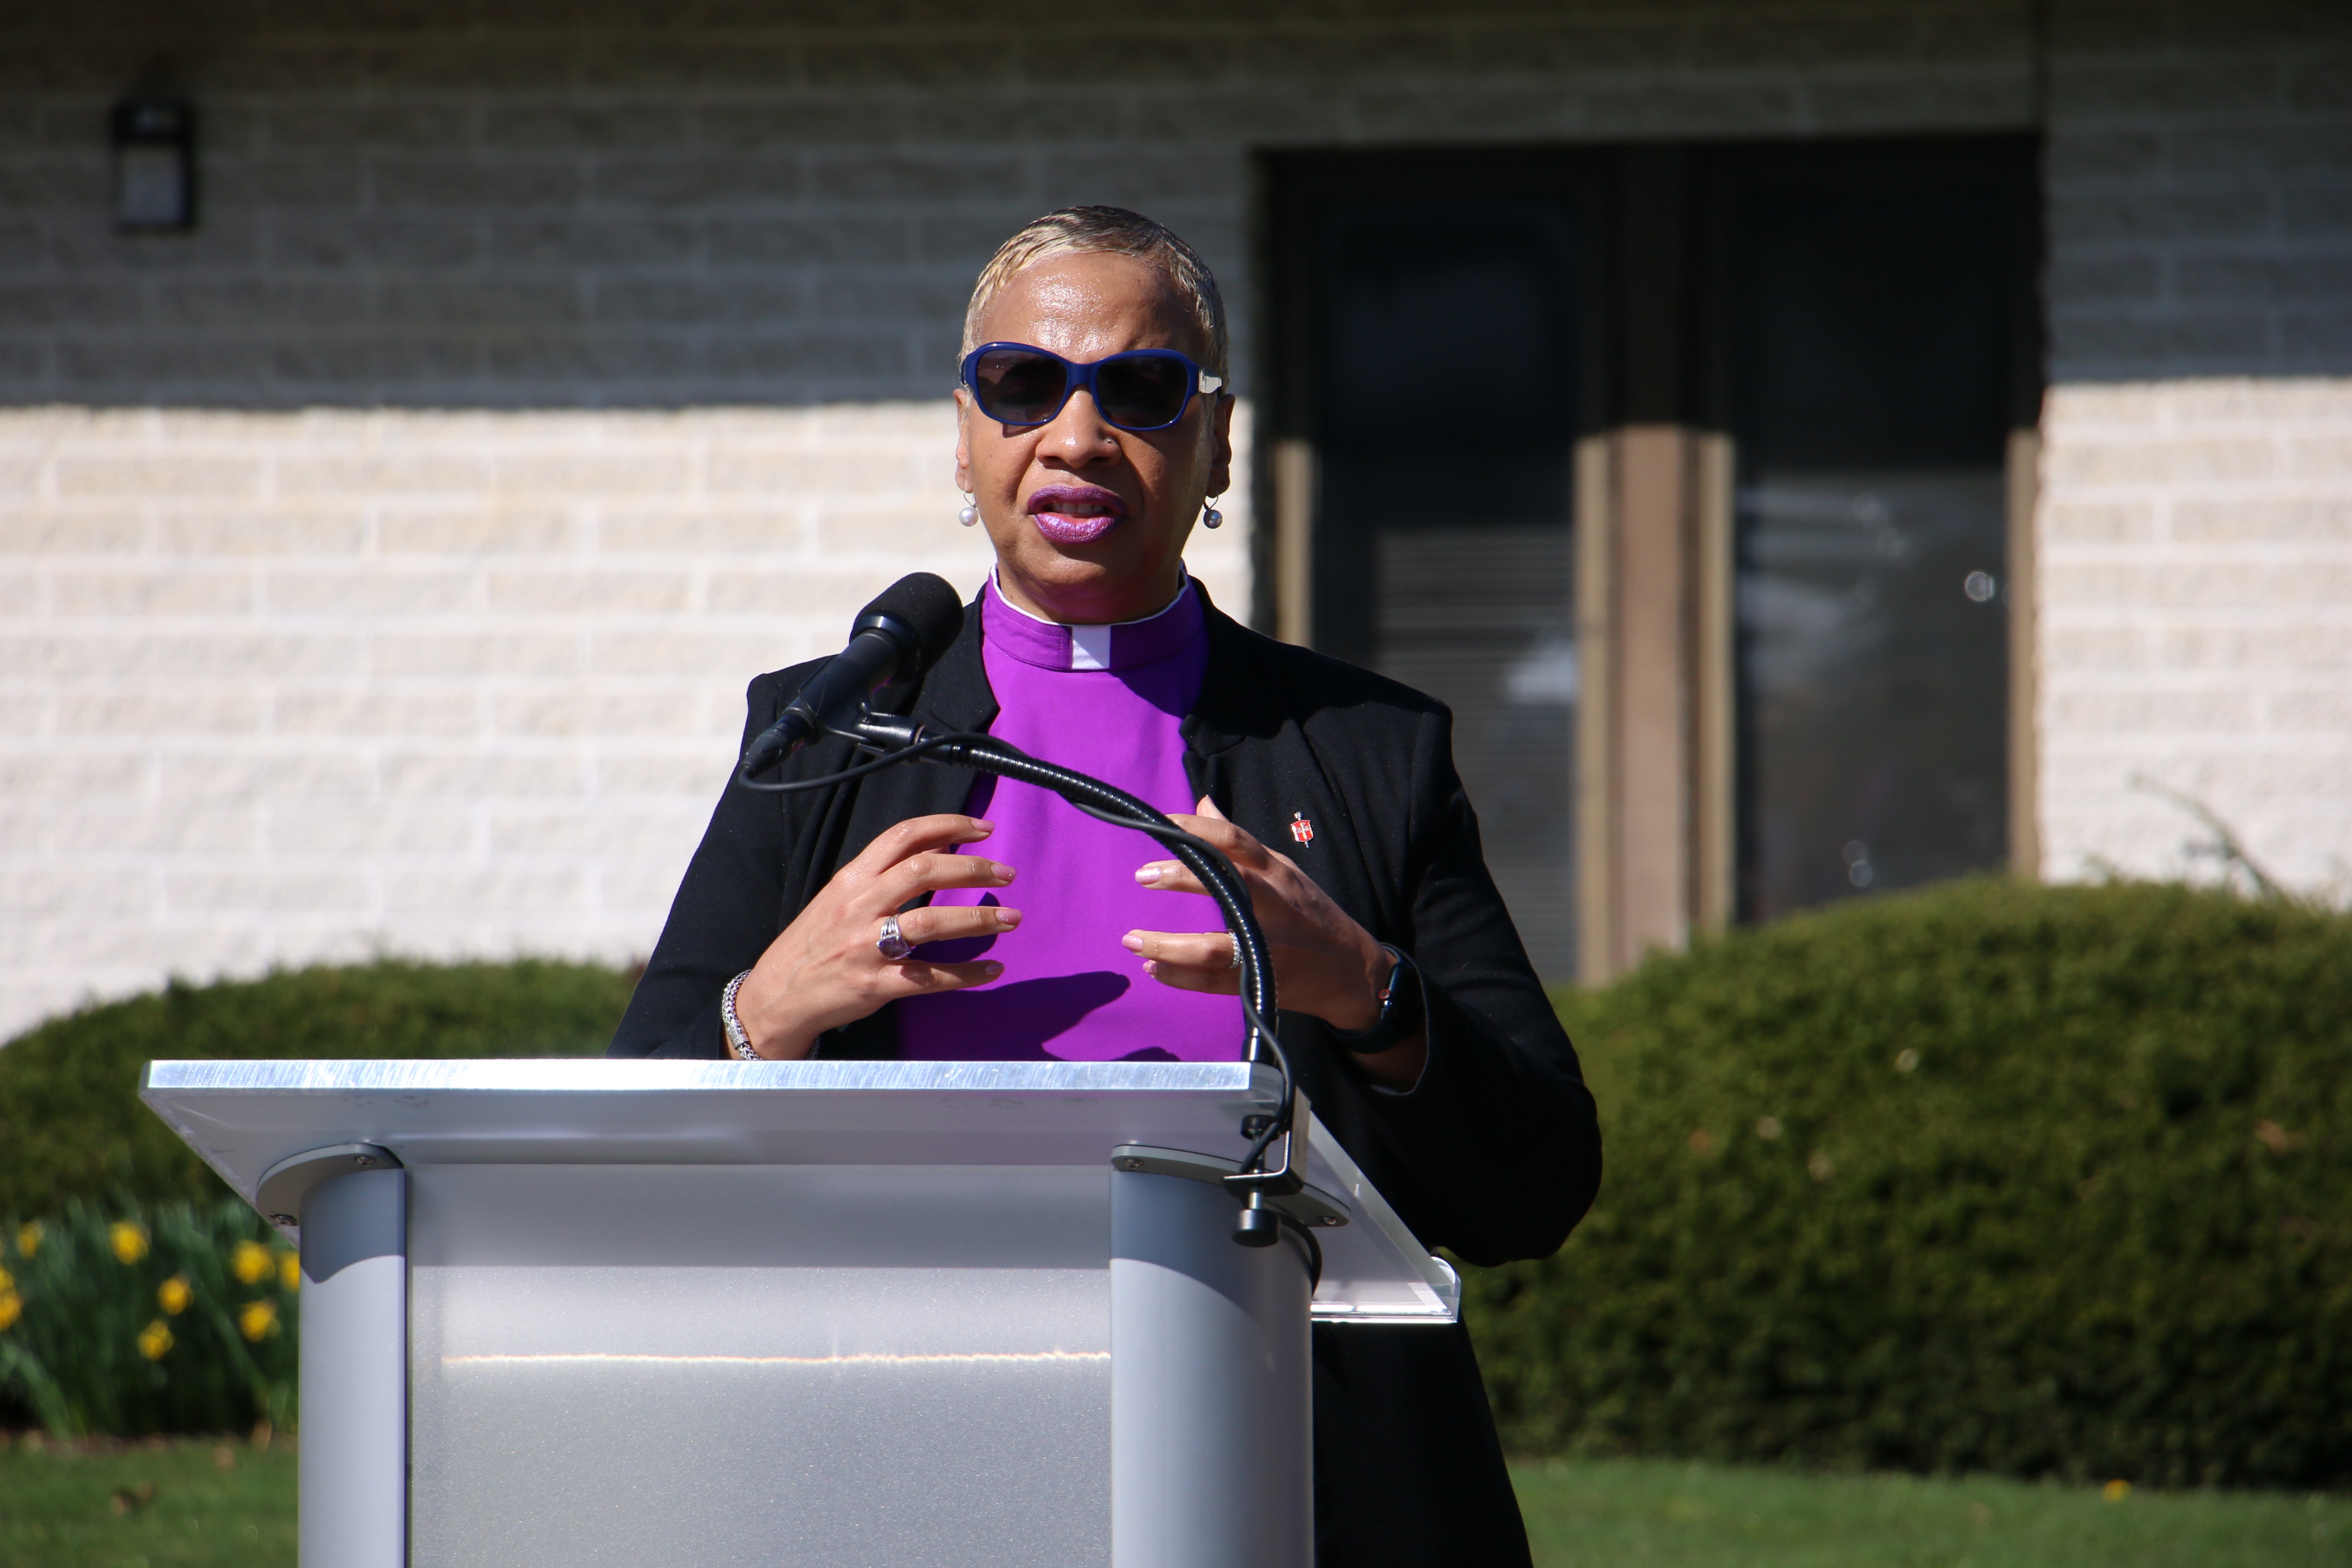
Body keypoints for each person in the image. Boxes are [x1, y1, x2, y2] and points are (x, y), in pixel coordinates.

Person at [610, 205, 1602, 1566]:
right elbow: (618, 1166)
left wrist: (1366, 990)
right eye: (1023, 384)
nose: (1075, 436)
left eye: (1140, 389)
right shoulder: (823, 741)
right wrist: (768, 1009)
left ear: (1218, 443)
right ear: (965, 436)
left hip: (1302, 1472)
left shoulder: (1369, 751)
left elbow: (1537, 1185)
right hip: (915, 1476)